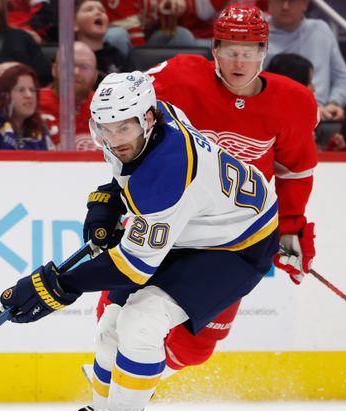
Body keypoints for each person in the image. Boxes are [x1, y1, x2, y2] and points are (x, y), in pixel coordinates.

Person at [0, 71, 278, 411]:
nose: (114, 140)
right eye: (105, 129)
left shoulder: (168, 170)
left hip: (237, 244)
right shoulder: (154, 118)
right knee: (111, 323)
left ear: (145, 119)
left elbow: (131, 268)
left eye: (123, 128)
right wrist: (107, 202)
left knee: (142, 321)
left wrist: (57, 286)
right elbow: (127, 177)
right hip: (195, 226)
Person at [94, 4, 317, 384]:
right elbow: (119, 111)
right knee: (117, 309)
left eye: (249, 52)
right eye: (229, 50)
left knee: (195, 348)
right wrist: (121, 194)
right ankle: (120, 394)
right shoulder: (179, 76)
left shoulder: (293, 102)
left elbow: (294, 171)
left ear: (265, 51)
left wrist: (291, 227)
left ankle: (145, 377)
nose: (239, 62)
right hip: (170, 218)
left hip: (231, 237)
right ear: (213, 48)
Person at [266, 0, 346, 122]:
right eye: (280, 0)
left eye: (292, 1)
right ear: (269, 3)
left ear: (305, 4)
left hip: (323, 116)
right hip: (276, 118)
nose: (285, 7)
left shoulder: (321, 30)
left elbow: (342, 79)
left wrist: (334, 104)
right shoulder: (253, 35)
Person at [38, 41, 98, 150]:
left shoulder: (107, 106)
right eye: (69, 65)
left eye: (84, 67)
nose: (75, 72)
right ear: (54, 70)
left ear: (95, 76)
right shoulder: (32, 102)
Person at [74, 0, 126, 83]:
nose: (98, 12)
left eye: (102, 11)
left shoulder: (116, 55)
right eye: (89, 10)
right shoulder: (67, 55)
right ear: (74, 24)